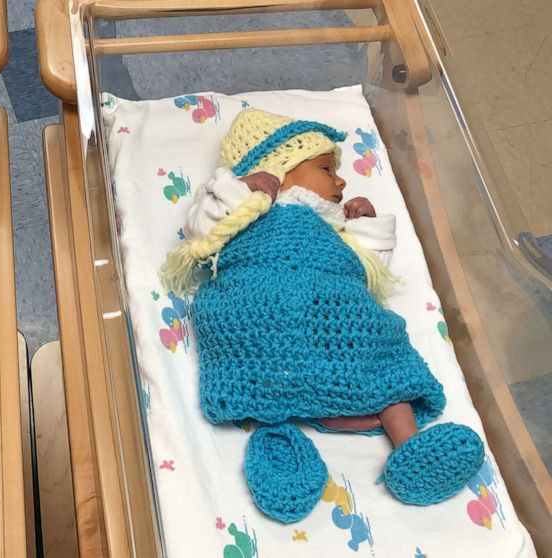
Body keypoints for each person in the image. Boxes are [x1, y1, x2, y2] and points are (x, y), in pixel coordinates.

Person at [161, 108, 484, 524]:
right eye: (327, 168)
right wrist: (238, 189)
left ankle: (409, 447)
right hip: (256, 302)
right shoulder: (249, 204)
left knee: (374, 341)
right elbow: (200, 233)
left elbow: (371, 270)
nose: (342, 181)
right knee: (255, 327)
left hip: (334, 304)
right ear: (279, 166)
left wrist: (368, 226)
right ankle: (286, 429)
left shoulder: (333, 220)